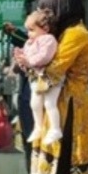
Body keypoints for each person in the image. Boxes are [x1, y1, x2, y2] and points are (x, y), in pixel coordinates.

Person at [14, 0, 88, 174]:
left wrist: (29, 62)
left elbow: (55, 69)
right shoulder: (67, 33)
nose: (47, 17)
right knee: (60, 161)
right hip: (60, 102)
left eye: (49, 10)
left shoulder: (76, 34)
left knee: (65, 164)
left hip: (71, 105)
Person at [3, 0, 58, 174]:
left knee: (57, 141)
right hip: (31, 86)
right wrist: (15, 34)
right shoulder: (31, 12)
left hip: (56, 88)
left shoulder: (64, 18)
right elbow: (30, 44)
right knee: (32, 139)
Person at [17, 8, 62, 145]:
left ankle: (55, 128)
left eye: (32, 30)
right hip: (37, 77)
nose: (29, 33)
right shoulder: (29, 42)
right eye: (28, 30)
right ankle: (38, 126)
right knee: (34, 104)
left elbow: (44, 57)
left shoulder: (49, 40)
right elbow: (26, 59)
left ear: (45, 28)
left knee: (50, 103)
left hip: (50, 78)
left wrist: (28, 62)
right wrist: (21, 59)